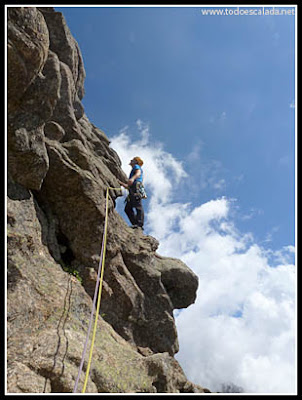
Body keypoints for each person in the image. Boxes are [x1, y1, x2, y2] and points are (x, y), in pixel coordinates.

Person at [118, 157, 145, 230]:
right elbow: (128, 185)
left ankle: (139, 224)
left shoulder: (137, 167)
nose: (130, 161)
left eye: (132, 160)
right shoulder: (133, 169)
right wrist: (122, 184)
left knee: (138, 205)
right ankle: (135, 224)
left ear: (136, 162)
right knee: (127, 208)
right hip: (132, 188)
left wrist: (132, 178)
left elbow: (138, 173)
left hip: (136, 186)